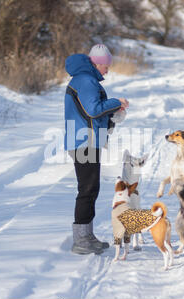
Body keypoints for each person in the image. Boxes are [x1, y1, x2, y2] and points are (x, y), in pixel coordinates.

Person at [64, 44, 129, 255]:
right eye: (107, 66)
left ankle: (86, 236)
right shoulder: (86, 80)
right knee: (87, 189)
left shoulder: (85, 79)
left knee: (90, 189)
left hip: (87, 140)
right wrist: (115, 102)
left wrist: (111, 117)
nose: (108, 70)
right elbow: (93, 110)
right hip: (84, 142)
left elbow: (90, 112)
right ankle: (81, 240)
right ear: (98, 63)